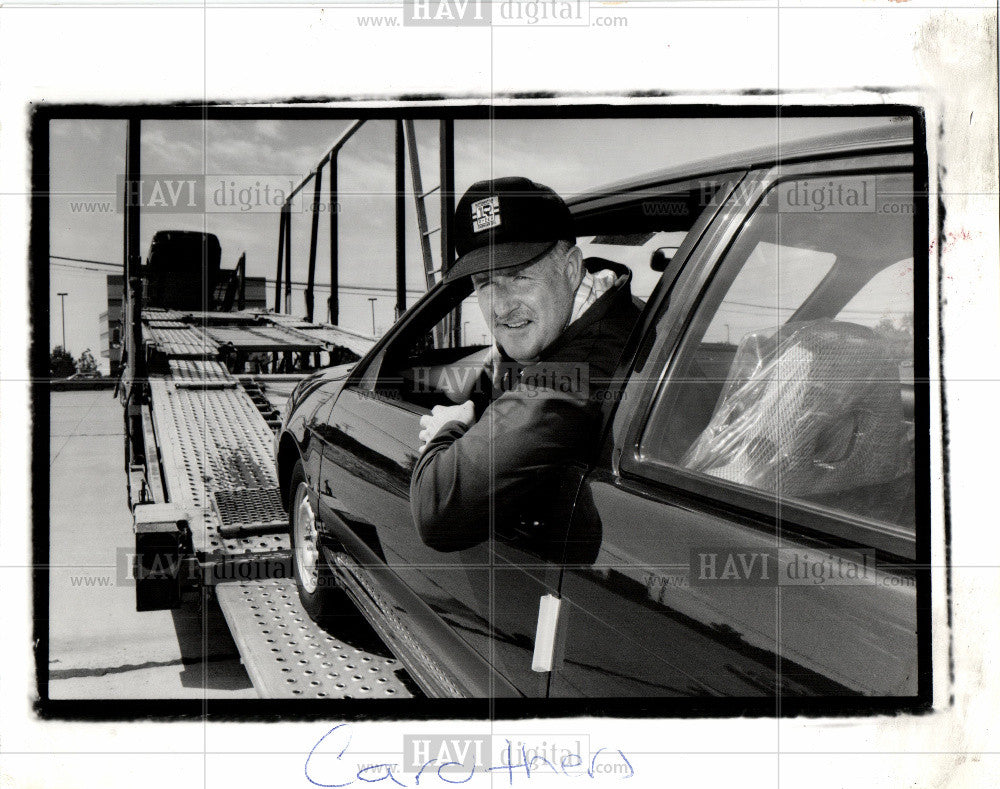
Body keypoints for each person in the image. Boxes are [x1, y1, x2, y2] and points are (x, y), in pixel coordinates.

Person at [409, 176, 643, 551]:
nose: (502, 306)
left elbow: (437, 514)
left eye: (518, 276)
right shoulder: (613, 314)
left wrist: (448, 430)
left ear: (569, 269)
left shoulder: (570, 377)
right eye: (485, 283)